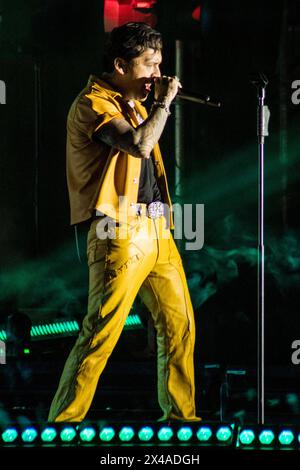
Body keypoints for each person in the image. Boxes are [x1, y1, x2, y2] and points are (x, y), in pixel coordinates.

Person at [48, 22, 201, 423]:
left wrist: (155, 102)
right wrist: (164, 104)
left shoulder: (132, 101)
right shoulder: (92, 104)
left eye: (160, 65)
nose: (158, 74)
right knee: (102, 332)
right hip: (117, 232)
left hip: (156, 231)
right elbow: (138, 144)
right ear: (120, 64)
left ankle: (182, 421)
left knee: (180, 325)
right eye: (150, 64)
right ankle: (63, 423)